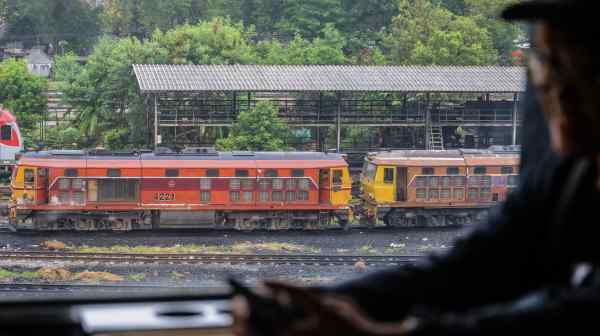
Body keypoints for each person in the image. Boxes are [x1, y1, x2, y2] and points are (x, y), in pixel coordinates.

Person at [233, 0, 600, 334]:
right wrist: (331, 299)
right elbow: (486, 259)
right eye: (546, 62)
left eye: (584, 65)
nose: (558, 89)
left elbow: (569, 314)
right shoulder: (564, 178)